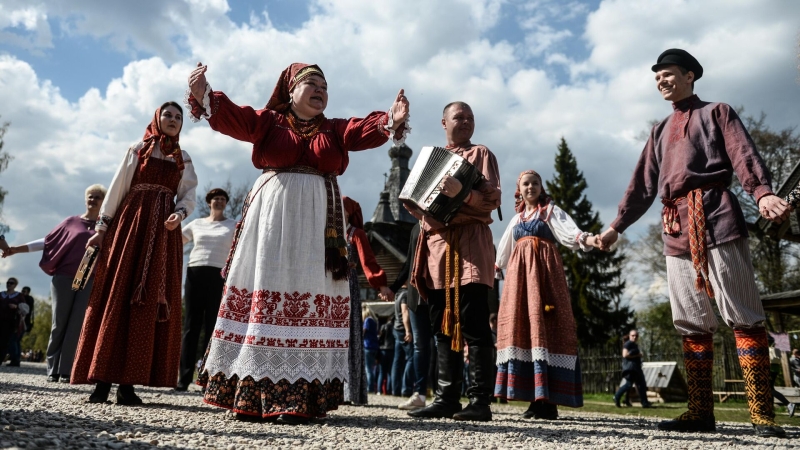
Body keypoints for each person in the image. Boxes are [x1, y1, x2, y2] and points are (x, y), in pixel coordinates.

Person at [186, 61, 409, 424]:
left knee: (308, 291)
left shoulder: (335, 130)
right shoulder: (269, 123)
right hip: (272, 219)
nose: (321, 90)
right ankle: (251, 392)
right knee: (267, 289)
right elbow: (236, 118)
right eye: (312, 84)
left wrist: (390, 119)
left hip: (318, 227)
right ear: (291, 91)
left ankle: (300, 396)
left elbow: (362, 130)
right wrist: (205, 96)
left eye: (325, 86)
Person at [598, 49, 790, 438]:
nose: (661, 82)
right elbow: (642, 186)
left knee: (743, 312)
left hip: (716, 216)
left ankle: (761, 414)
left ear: (689, 75)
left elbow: (743, 155)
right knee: (690, 320)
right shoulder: (657, 131)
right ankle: (701, 411)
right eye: (657, 78)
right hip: (674, 229)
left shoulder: (718, 111)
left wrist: (763, 193)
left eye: (667, 74)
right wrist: (617, 226)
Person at [71, 102, 197, 405]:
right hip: (131, 228)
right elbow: (117, 189)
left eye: (178, 117)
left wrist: (179, 214)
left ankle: (127, 384)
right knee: (117, 294)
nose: (173, 120)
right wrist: (102, 229)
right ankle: (101, 380)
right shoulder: (138, 149)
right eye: (168, 114)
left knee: (146, 301)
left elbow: (188, 195)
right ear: (157, 118)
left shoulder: (184, 158)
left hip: (163, 237)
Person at [407, 101, 501, 422]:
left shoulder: (481, 154)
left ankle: (480, 402)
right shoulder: (429, 159)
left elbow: (491, 200)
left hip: (470, 246)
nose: (466, 122)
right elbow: (415, 203)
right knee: (441, 326)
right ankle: (446, 398)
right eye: (459, 117)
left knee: (474, 324)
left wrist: (463, 193)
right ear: (443, 122)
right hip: (436, 250)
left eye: (471, 117)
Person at [494, 170, 599, 419]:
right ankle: (534, 398)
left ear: (541, 187)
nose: (531, 187)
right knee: (525, 330)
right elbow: (504, 251)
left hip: (545, 277)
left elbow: (570, 233)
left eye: (535, 183)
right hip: (520, 281)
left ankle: (548, 401)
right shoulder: (517, 219)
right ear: (519, 189)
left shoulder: (551, 212)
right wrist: (497, 269)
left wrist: (589, 239)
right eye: (526, 184)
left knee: (547, 327)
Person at [2, 184, 107, 382]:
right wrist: (16, 249)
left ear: (104, 202)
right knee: (59, 323)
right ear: (85, 199)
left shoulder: (106, 227)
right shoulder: (72, 222)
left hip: (88, 276)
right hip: (65, 276)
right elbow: (47, 241)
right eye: (91, 196)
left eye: (98, 197)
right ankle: (53, 369)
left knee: (76, 325)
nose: (93, 200)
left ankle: (66, 370)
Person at [176, 188, 237, 391]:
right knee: (191, 326)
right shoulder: (196, 224)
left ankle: (207, 378)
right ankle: (183, 378)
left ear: (226, 203)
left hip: (219, 277)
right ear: (209, 202)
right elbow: (176, 241)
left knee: (213, 326)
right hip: (195, 274)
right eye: (215, 199)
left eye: (222, 199)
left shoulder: (234, 225)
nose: (218, 202)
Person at [342, 196, 392, 405]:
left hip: (346, 285)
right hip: (326, 287)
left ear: (347, 213)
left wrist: (381, 284)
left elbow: (368, 260)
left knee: (350, 333)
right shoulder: (328, 233)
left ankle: (349, 390)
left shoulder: (356, 234)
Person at [391, 221, 432, 410]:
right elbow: (409, 262)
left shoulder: (442, 222)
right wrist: (392, 287)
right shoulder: (416, 228)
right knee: (419, 346)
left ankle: (444, 393)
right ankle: (420, 393)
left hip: (437, 291)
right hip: (416, 294)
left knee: (441, 342)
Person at [613, 330, 652, 409]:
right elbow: (625, 355)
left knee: (641, 385)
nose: (635, 337)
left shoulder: (634, 345)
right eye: (633, 335)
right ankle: (616, 396)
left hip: (636, 368)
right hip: (630, 368)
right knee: (628, 385)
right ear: (629, 336)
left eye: (636, 336)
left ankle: (644, 403)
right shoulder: (628, 344)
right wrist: (637, 355)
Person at [391, 286, 414, 397]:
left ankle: (395, 389)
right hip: (402, 330)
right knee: (412, 358)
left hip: (396, 328)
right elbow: (405, 312)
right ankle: (406, 389)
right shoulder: (405, 294)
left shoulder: (398, 294)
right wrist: (408, 331)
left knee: (397, 361)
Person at [6, 286, 34, 367]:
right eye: (22, 290)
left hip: (21, 322)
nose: (23, 292)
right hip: (23, 322)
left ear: (28, 292)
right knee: (16, 341)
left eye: (24, 291)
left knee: (13, 340)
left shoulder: (27, 299)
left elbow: (24, 310)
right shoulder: (28, 299)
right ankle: (16, 359)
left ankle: (15, 359)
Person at [0, 278, 23, 364]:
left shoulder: (19, 296)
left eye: (11, 283)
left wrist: (16, 307)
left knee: (5, 341)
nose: (9, 284)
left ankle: (7, 358)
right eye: (8, 282)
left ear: (15, 285)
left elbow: (24, 308)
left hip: (11, 321)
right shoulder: (1, 294)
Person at [377, 314, 395, 395]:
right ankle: (389, 390)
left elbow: (380, 338)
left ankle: (379, 390)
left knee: (381, 372)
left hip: (383, 349)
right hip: (391, 350)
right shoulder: (394, 327)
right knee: (390, 372)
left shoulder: (383, 326)